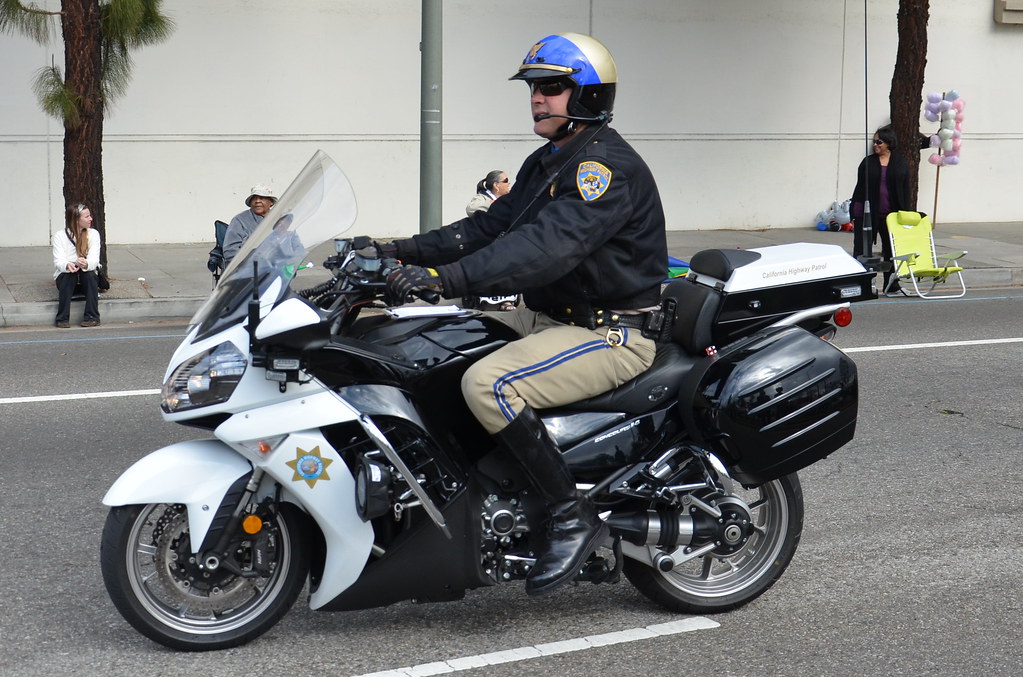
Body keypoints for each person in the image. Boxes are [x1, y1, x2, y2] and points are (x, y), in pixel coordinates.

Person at [379, 33, 667, 596]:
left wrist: (446, 280)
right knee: (421, 344)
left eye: (552, 88)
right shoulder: (549, 159)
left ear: (586, 95)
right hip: (549, 319)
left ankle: (569, 513)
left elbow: (544, 248)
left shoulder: (604, 169)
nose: (538, 99)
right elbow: (488, 227)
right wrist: (395, 251)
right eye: (535, 88)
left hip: (610, 333)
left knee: (489, 385)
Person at [850, 125, 912, 294]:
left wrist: (907, 213)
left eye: (879, 142)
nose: (875, 145)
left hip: (892, 215)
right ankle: (862, 285)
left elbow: (906, 190)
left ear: (889, 143)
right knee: (862, 250)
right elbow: (860, 187)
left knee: (892, 250)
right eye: (874, 142)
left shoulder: (900, 163)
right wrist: (855, 209)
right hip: (868, 214)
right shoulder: (868, 162)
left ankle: (891, 285)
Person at [52, 202, 101, 328]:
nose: (91, 219)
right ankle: (62, 319)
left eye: (89, 215)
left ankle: (92, 317)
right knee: (70, 275)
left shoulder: (93, 234)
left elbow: (94, 259)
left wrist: (86, 263)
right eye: (87, 216)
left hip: (85, 280)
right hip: (67, 280)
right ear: (76, 220)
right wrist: (68, 265)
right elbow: (58, 261)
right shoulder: (60, 236)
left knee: (90, 275)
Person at [222, 184, 277, 264]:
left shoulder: (280, 218)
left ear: (271, 202)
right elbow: (230, 251)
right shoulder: (239, 220)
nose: (257, 201)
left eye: (262, 198)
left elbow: (293, 244)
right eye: (254, 198)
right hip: (248, 269)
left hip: (276, 267)